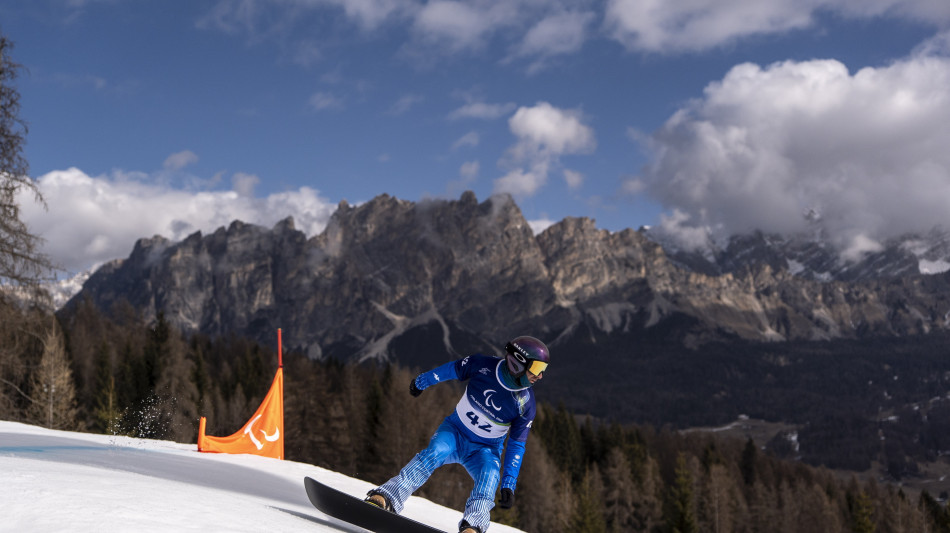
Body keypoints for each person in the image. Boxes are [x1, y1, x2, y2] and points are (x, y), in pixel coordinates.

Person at [364, 335, 550, 533]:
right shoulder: (483, 365)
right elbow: (452, 369)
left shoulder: (525, 404)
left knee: (489, 476)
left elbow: (517, 444)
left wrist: (508, 484)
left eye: (543, 371)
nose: (540, 376)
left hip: (485, 450)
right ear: (518, 363)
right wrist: (422, 381)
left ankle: (473, 527)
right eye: (537, 369)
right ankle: (387, 497)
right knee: (433, 453)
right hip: (454, 433)